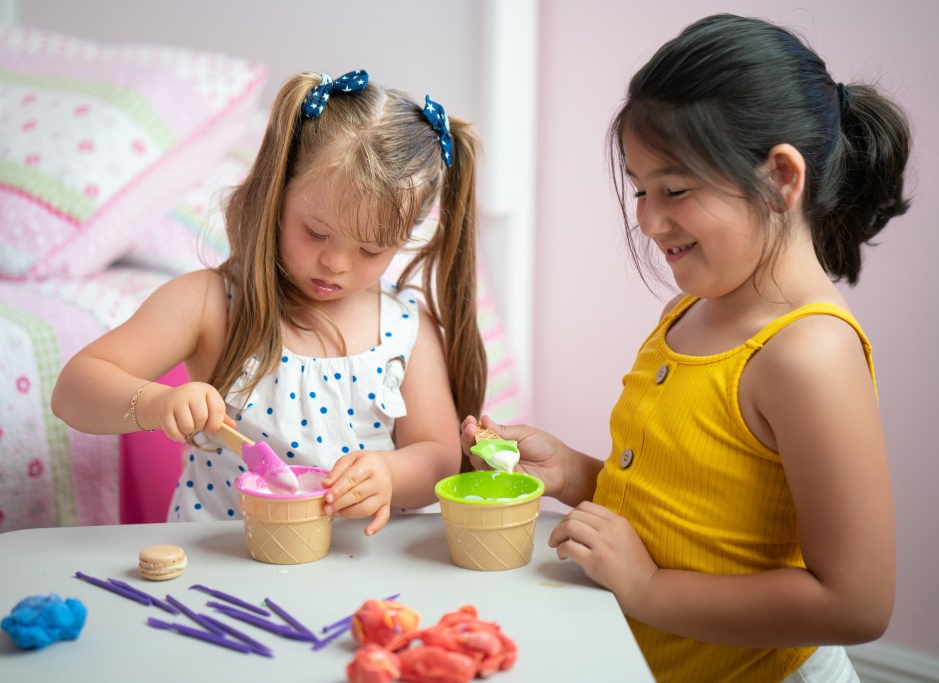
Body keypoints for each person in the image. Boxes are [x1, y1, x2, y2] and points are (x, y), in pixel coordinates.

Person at [462, 14, 909, 683]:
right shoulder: (691, 310)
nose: (647, 219)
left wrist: (646, 589)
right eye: (641, 189)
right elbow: (693, 505)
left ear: (782, 179)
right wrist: (577, 473)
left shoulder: (808, 355)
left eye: (674, 190)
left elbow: (857, 603)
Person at [52, 69, 486, 536]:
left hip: (357, 571)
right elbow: (73, 390)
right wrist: (157, 402)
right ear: (276, 192)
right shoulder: (210, 303)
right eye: (316, 232)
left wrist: (390, 475)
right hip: (221, 567)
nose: (336, 263)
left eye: (371, 250)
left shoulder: (404, 327)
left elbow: (440, 458)